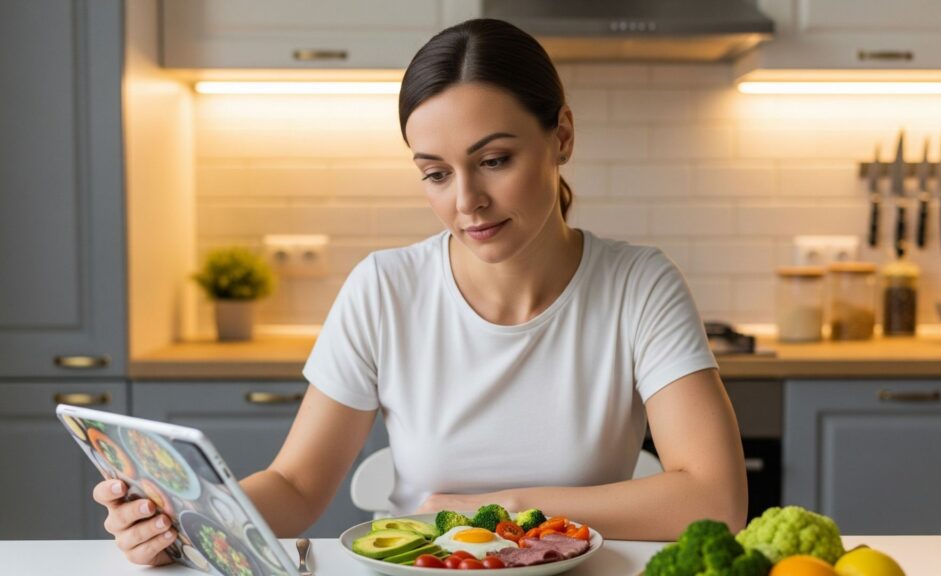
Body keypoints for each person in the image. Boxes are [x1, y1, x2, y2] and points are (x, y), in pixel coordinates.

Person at [93, 18, 747, 566]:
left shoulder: (637, 284)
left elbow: (716, 498)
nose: (467, 202)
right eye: (436, 173)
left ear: (562, 138)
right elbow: (295, 484)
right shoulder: (385, 289)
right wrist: (183, 519)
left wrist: (511, 510)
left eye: (494, 161)